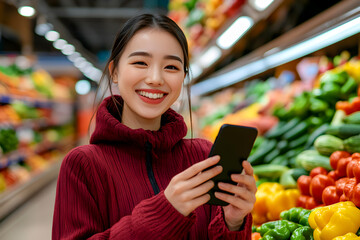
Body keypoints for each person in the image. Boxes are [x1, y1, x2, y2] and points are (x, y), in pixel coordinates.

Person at [52, 13, 256, 240]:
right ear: (115, 72)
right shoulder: (82, 165)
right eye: (140, 62)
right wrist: (165, 213)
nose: (156, 78)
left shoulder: (203, 157)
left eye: (171, 67)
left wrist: (234, 222)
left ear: (183, 77)